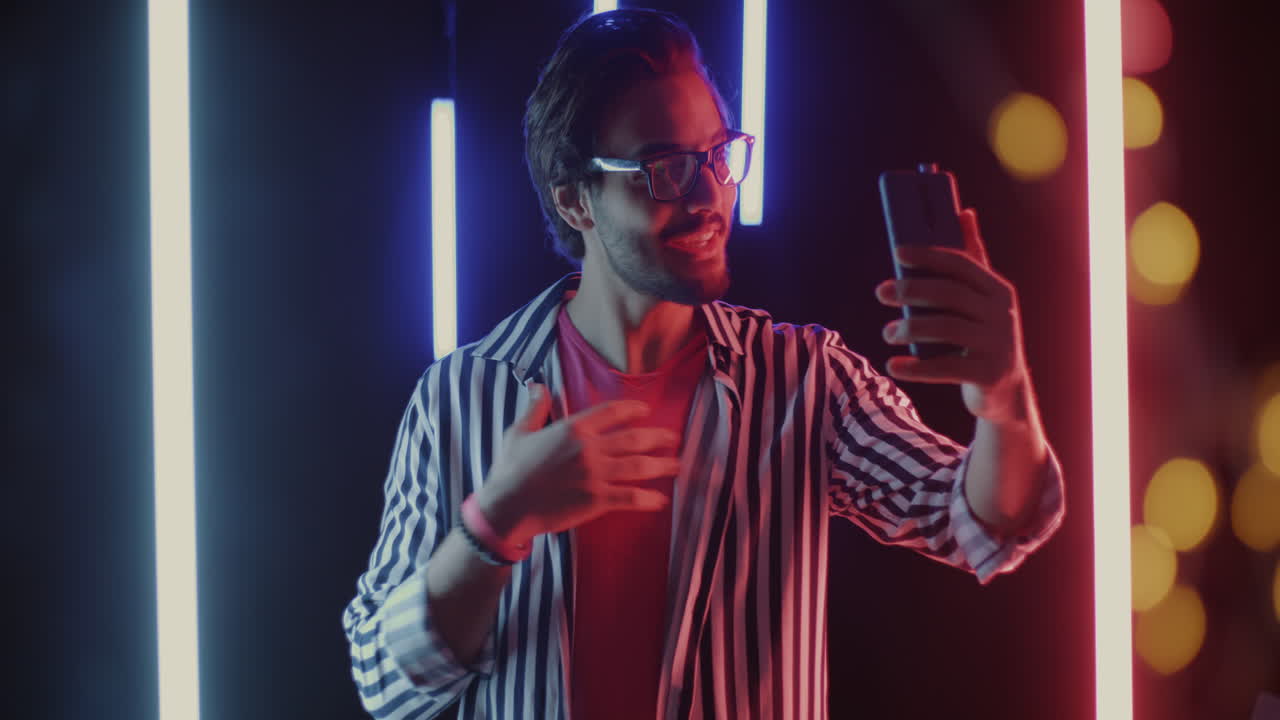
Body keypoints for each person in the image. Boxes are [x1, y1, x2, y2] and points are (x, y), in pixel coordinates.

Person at [342, 8, 1064, 720]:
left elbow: (975, 522)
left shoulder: (803, 380)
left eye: (720, 155)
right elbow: (385, 681)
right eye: (663, 169)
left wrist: (1005, 402)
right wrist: (495, 524)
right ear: (574, 201)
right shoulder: (460, 396)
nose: (707, 194)